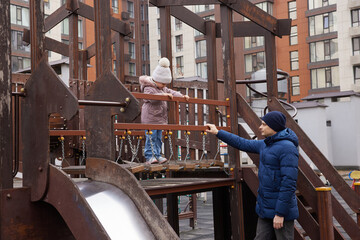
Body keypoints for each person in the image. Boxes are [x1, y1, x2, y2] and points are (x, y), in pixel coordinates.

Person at [206, 111, 299, 240]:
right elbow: (242, 143)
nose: (260, 127)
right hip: (265, 208)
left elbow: (288, 183)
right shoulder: (266, 144)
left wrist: (280, 213)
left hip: (280, 210)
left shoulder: (287, 148)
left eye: (264, 124)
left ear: (274, 127)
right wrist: (218, 132)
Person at [140, 57, 189, 164]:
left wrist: (182, 96)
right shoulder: (148, 87)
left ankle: (157, 155)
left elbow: (171, 92)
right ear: (156, 80)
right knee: (151, 138)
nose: (165, 86)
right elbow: (151, 98)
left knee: (158, 138)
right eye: (163, 83)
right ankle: (149, 156)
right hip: (150, 118)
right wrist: (163, 95)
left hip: (159, 118)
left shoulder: (162, 88)